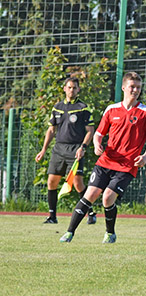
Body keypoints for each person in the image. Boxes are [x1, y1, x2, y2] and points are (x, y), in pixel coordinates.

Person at [59, 72, 146, 243]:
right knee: (90, 194)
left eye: (138, 88)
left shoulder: (145, 113)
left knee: (107, 197)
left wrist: (145, 156)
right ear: (124, 88)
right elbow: (98, 134)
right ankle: (69, 233)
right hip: (106, 161)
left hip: (127, 166)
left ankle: (110, 233)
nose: (135, 90)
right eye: (132, 87)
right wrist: (97, 144)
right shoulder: (112, 109)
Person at [36, 77, 96, 224]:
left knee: (77, 184)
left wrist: (83, 148)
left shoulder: (83, 108)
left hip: (75, 149)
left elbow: (90, 131)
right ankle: (52, 216)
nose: (72, 90)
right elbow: (51, 130)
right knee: (52, 181)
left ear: (78, 90)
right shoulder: (57, 107)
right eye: (69, 87)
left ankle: (91, 212)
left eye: (74, 88)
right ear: (64, 89)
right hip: (58, 149)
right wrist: (43, 150)